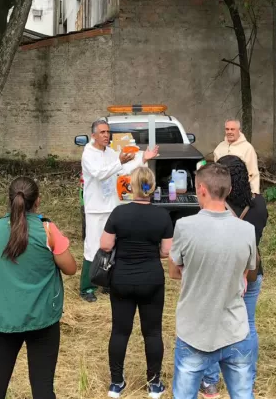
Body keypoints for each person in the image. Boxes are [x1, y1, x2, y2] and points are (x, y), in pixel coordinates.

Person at [0, 176, 76, 398]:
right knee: (43, 385)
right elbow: (70, 268)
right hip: (42, 317)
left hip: (3, 316)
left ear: (9, 199)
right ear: (37, 200)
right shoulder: (48, 230)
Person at [168, 163, 257, 399]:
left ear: (201, 189)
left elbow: (174, 271)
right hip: (235, 329)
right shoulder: (247, 230)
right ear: (229, 190)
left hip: (194, 331)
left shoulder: (184, 226)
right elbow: (248, 272)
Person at [100, 167, 173, 398]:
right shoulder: (162, 215)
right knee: (152, 333)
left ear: (131, 186)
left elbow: (105, 245)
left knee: (120, 332)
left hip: (121, 278)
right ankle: (154, 384)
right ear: (152, 187)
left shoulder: (119, 213)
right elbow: (166, 251)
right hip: (151, 279)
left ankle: (116, 383)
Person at [200, 155, 269, 398]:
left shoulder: (214, 207)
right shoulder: (259, 204)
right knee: (248, 324)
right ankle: (247, 379)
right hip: (251, 270)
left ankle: (210, 380)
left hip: (220, 272)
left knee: (213, 323)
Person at [80, 119, 158, 302]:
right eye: (102, 132)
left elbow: (122, 170)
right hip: (96, 207)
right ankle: (87, 287)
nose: (106, 135)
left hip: (112, 205)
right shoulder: (88, 154)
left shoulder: (110, 152)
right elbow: (100, 174)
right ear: (93, 135)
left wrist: (143, 159)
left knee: (112, 245)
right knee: (93, 246)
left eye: (108, 132)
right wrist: (119, 161)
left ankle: (106, 281)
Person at [213, 119, 260, 195]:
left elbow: (253, 173)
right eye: (227, 129)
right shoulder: (219, 148)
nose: (229, 132)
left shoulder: (248, 148)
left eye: (232, 129)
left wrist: (254, 193)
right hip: (222, 191)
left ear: (239, 130)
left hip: (240, 191)